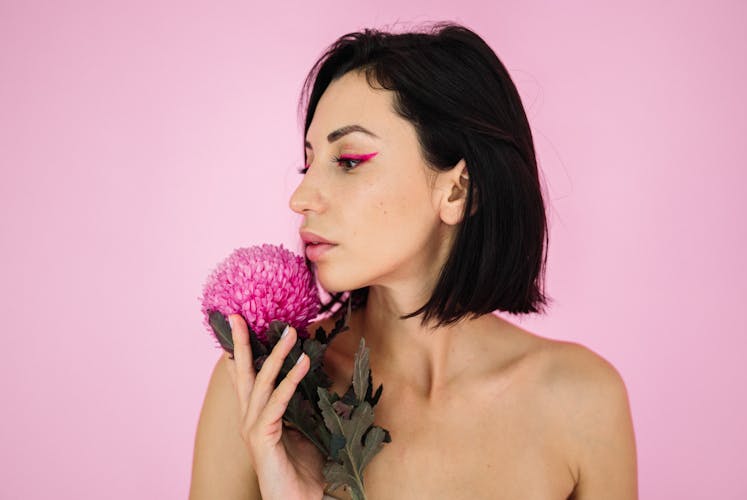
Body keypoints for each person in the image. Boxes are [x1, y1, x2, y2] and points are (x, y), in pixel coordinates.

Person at [189, 22, 638, 500]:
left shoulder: (584, 404)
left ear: (458, 190)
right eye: (309, 162)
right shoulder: (263, 392)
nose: (300, 198)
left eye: (349, 161)